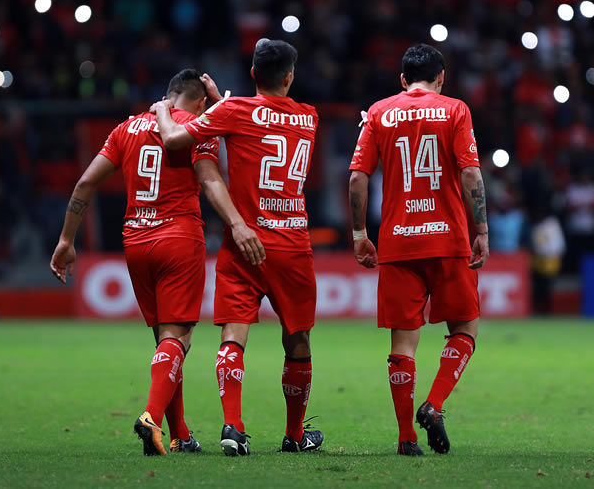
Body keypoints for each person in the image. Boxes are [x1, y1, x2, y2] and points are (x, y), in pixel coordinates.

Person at [50, 69, 262, 456]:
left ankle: (180, 433)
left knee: (167, 342)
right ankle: (150, 415)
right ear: (200, 101)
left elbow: (84, 185)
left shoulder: (124, 129)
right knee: (178, 338)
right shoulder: (199, 126)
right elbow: (211, 178)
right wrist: (236, 222)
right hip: (179, 238)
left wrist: (67, 239)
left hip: (135, 240)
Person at [151, 39, 324, 456]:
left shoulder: (233, 111)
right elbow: (262, 118)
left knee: (233, 336)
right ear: (289, 77)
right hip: (293, 243)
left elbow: (175, 138)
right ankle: (295, 434)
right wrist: (222, 104)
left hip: (244, 240)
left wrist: (162, 108)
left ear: (251, 75)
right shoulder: (309, 117)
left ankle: (233, 425)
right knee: (297, 338)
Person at [348, 44, 489, 456]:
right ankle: (435, 403)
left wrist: (359, 233)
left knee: (402, 346)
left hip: (397, 241)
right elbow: (469, 172)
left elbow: (357, 178)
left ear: (403, 80)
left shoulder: (377, 112)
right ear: (441, 78)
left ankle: (406, 439)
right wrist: (481, 228)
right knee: (464, 327)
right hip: (447, 239)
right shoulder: (456, 109)